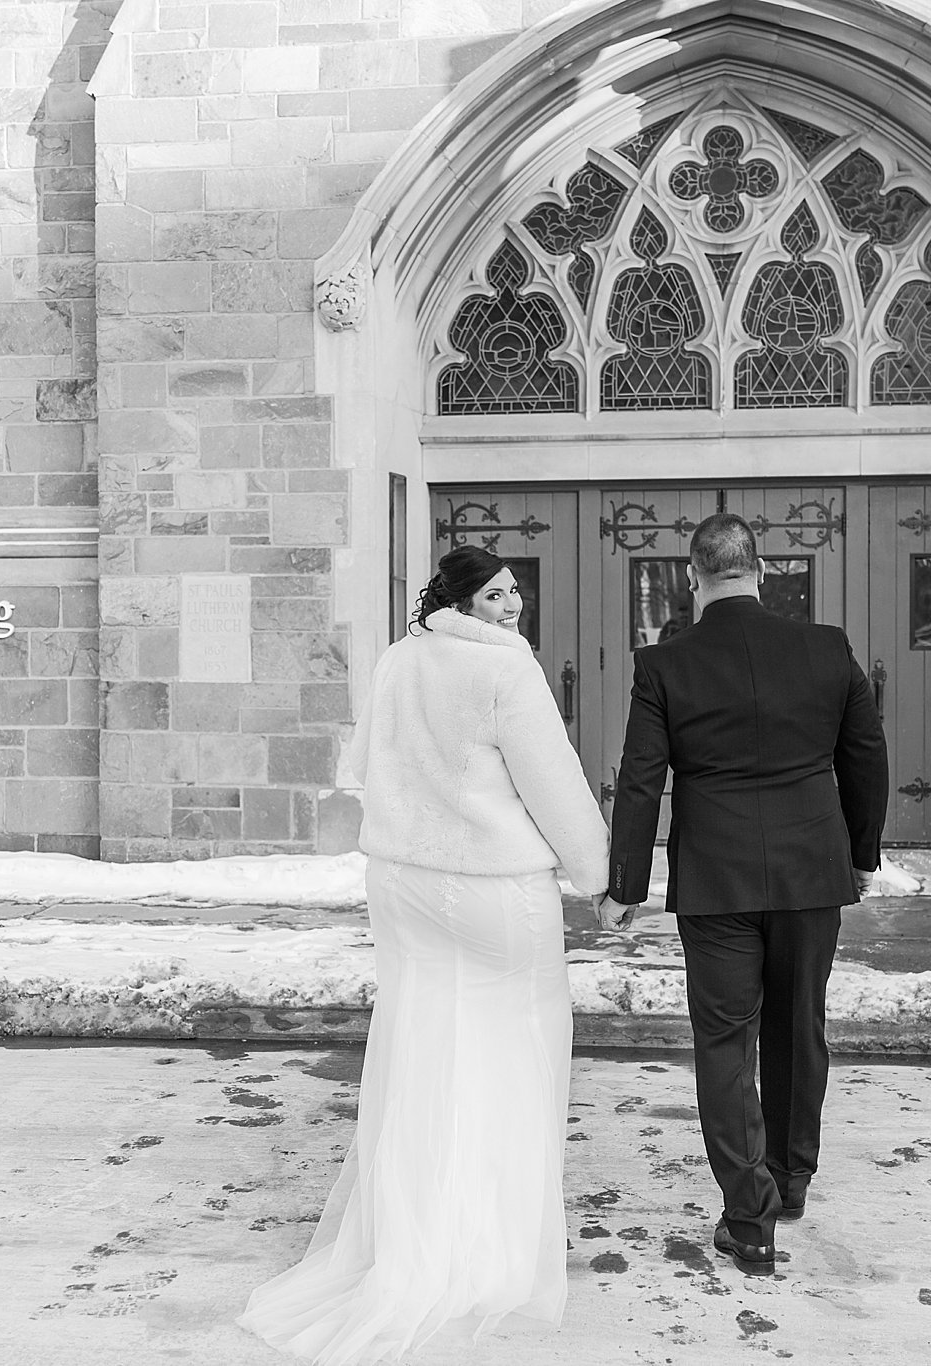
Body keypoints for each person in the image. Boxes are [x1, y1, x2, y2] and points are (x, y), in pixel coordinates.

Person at [238, 545, 608, 1364]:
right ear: (464, 599)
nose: (513, 608)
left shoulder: (400, 660)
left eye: (517, 593)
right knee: (518, 1047)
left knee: (424, 1046)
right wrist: (597, 873)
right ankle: (490, 1248)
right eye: (497, 594)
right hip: (491, 886)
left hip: (403, 882)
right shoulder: (507, 672)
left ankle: (412, 1238)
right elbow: (555, 784)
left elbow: (364, 763)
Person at [596, 513, 890, 1276]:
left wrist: (625, 883)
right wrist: (862, 854)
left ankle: (748, 1217)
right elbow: (866, 756)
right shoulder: (826, 649)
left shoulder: (665, 664)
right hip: (809, 872)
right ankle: (790, 1181)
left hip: (717, 879)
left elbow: (641, 777)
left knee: (726, 1042)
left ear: (694, 577)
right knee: (799, 1025)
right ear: (760, 570)